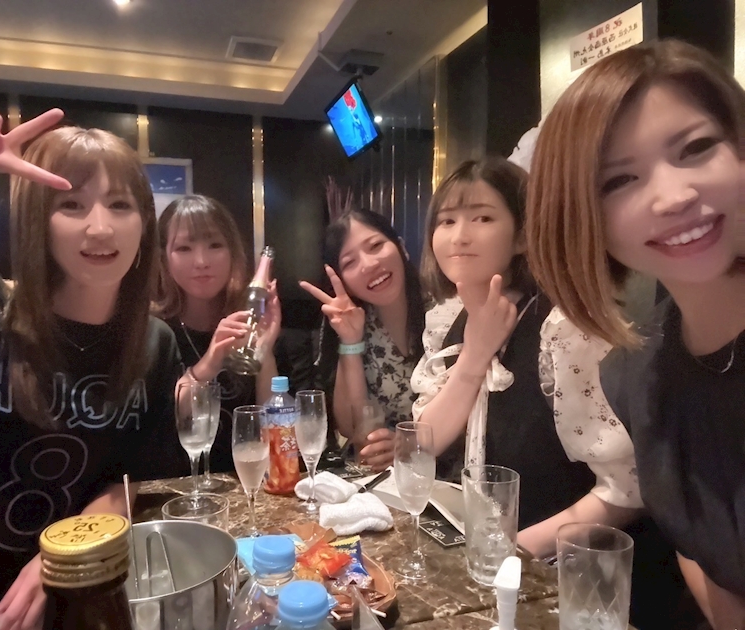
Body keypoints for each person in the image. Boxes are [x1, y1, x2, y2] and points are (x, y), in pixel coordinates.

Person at [0, 110, 185, 629]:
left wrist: (63, 557)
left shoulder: (154, 344)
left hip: (76, 604)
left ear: (144, 223)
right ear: (36, 217)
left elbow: (129, 479)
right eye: (71, 204)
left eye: (120, 205)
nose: (100, 227)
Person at [526, 39, 745, 628]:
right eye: (620, 180)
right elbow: (698, 545)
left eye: (696, 148)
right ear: (582, 218)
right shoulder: (635, 374)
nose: (674, 197)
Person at [411, 157, 641, 558]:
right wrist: (475, 355)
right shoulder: (446, 319)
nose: (459, 236)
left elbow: (627, 489)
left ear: (522, 237)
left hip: (557, 566)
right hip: (473, 551)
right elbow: (425, 441)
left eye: (482, 218)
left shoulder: (565, 327)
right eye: (446, 221)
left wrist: (513, 552)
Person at [154, 195, 281, 473]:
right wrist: (209, 364)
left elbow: (275, 427)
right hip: (178, 487)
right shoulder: (154, 333)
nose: (201, 261)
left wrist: (264, 349)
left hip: (246, 482)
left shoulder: (251, 323)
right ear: (164, 258)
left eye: (215, 245)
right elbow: (158, 423)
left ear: (233, 252)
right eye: (184, 248)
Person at [300, 209, 425, 472]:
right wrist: (350, 341)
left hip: (441, 474)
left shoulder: (443, 311)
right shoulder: (352, 321)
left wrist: (407, 444)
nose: (368, 265)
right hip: (377, 476)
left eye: (376, 246)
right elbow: (351, 428)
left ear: (401, 247)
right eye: (350, 262)